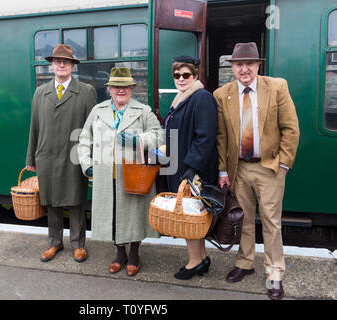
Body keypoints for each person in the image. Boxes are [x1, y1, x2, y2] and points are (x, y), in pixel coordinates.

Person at [214, 42, 300, 300]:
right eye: (239, 64)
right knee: (244, 221)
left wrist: (283, 163)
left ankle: (275, 272)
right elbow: (221, 136)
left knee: (272, 222)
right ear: (233, 67)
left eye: (249, 63)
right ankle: (245, 263)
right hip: (238, 168)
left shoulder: (276, 87)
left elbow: (290, 128)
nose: (244, 69)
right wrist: (222, 171)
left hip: (269, 167)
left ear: (258, 65)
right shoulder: (222, 94)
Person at [78, 67, 164, 276]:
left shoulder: (143, 111)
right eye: (117, 86)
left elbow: (160, 135)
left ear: (131, 89)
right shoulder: (98, 111)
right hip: (106, 175)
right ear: (110, 90)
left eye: (125, 87)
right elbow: (84, 140)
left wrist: (139, 140)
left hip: (133, 176)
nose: (121, 90)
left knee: (133, 215)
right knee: (113, 214)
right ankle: (119, 254)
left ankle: (134, 255)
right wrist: (87, 164)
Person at [25, 44, 97, 264]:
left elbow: (93, 129)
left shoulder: (86, 92)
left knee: (75, 201)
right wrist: (31, 158)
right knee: (51, 201)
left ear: (73, 66)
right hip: (46, 156)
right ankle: (54, 242)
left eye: (66, 62)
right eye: (57, 61)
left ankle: (78, 245)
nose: (61, 65)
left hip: (74, 156)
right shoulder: (40, 93)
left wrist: (92, 159)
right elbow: (34, 127)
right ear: (51, 66)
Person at [163, 56, 218, 280]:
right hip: (179, 164)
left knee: (189, 216)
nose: (181, 79)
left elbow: (205, 137)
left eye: (186, 75)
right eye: (177, 75)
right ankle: (202, 258)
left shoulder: (201, 97)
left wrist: (192, 168)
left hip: (191, 169)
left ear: (195, 76)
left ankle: (194, 262)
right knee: (193, 215)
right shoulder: (182, 98)